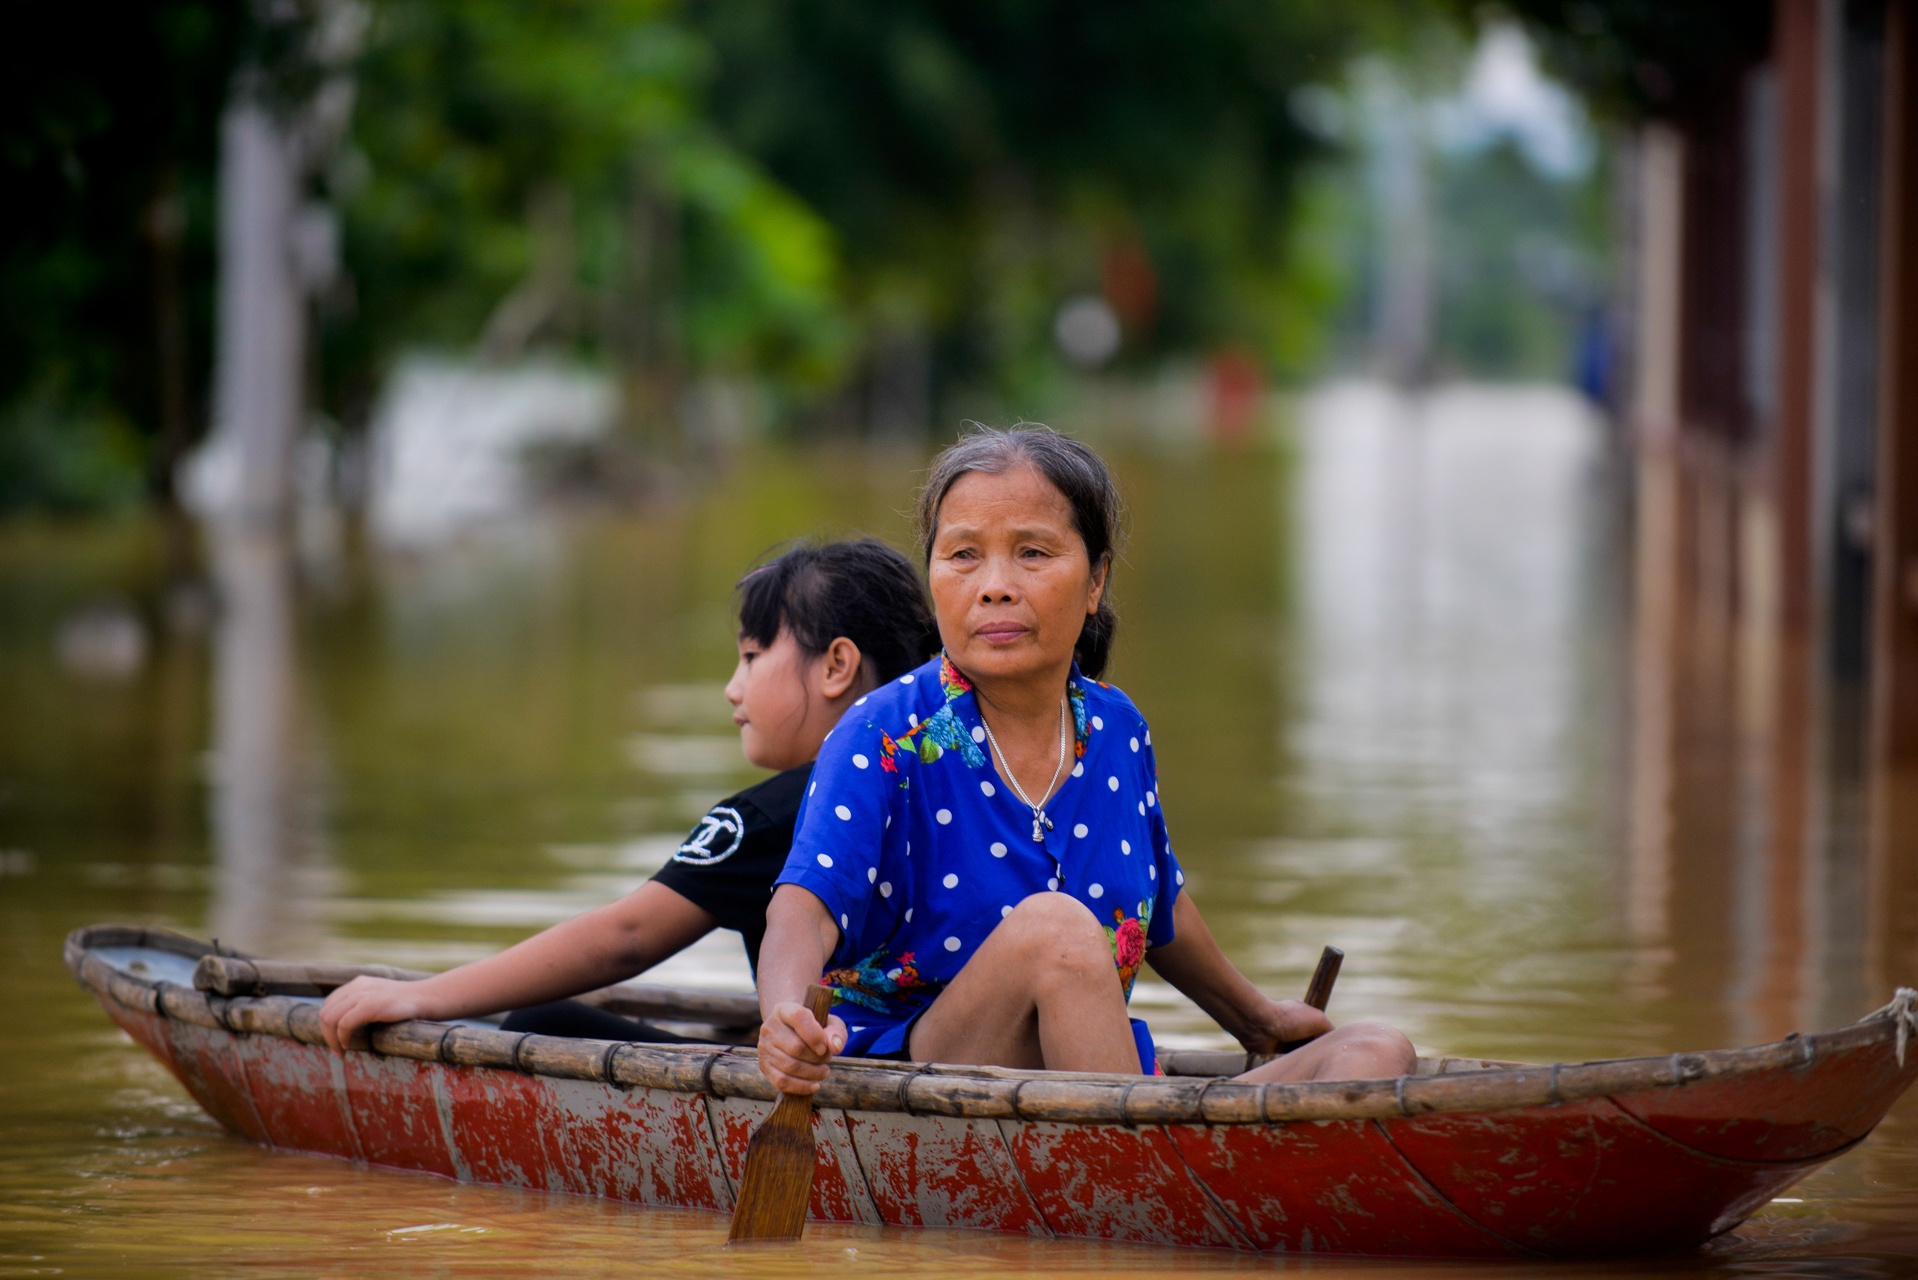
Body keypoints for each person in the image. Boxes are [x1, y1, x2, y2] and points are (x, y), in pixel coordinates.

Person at [754, 426, 1416, 1094]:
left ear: (1095, 579)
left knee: (1375, 1052)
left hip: (1094, 1078)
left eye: (1033, 553)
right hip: (925, 1077)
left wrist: (1258, 1020)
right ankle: (1150, 1176)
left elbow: (1162, 910)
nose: (994, 587)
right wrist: (784, 1016)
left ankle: (1153, 1165)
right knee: (1058, 931)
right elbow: (802, 908)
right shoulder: (883, 732)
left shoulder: (1116, 729)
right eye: (963, 556)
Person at [317, 538, 937, 1053]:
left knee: (551, 1023)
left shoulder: (771, 818)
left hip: (834, 1071)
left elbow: (628, 936)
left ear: (836, 667)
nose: (731, 688)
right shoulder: (952, 786)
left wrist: (421, 996)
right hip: (929, 1044)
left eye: (750, 657)